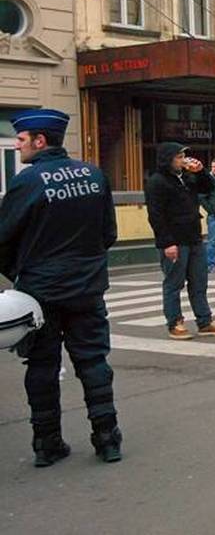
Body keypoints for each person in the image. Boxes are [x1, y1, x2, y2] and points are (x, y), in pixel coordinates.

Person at [0, 109, 122, 466]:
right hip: (87, 287)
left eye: (21, 139)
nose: (17, 145)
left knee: (41, 366)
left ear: (40, 141)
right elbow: (108, 234)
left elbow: (4, 238)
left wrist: (20, 274)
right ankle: (107, 438)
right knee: (94, 361)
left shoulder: (28, 181)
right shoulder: (94, 174)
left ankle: (46, 443)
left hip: (41, 292)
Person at [144, 142, 215, 339]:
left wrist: (201, 172)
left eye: (183, 156)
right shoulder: (157, 182)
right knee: (174, 283)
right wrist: (166, 243)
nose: (183, 160)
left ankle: (205, 321)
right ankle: (175, 322)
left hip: (193, 237)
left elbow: (210, 188)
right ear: (168, 159)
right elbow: (155, 215)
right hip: (174, 239)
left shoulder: (186, 177)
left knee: (199, 281)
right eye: (179, 156)